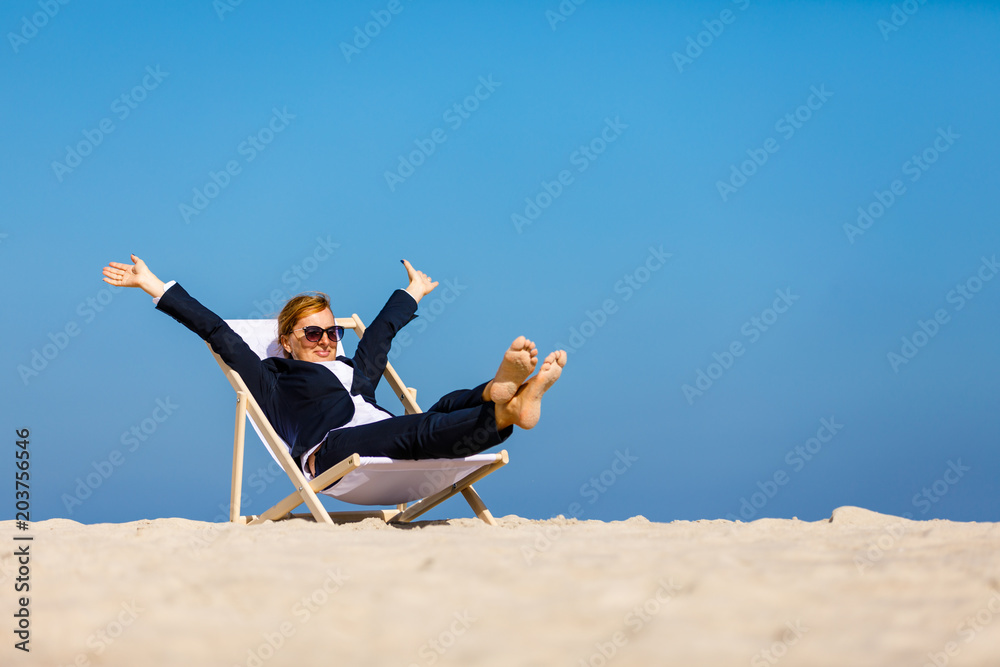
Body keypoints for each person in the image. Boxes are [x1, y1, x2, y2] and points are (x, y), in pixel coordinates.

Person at [101, 254, 565, 481]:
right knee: (417, 431)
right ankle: (506, 410)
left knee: (436, 411)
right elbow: (219, 333)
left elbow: (379, 339)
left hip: (382, 427)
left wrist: (413, 293)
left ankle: (499, 392)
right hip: (333, 450)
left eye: (331, 332)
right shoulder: (271, 377)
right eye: (312, 333)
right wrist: (153, 285)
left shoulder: (352, 370)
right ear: (287, 341)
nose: (325, 340)